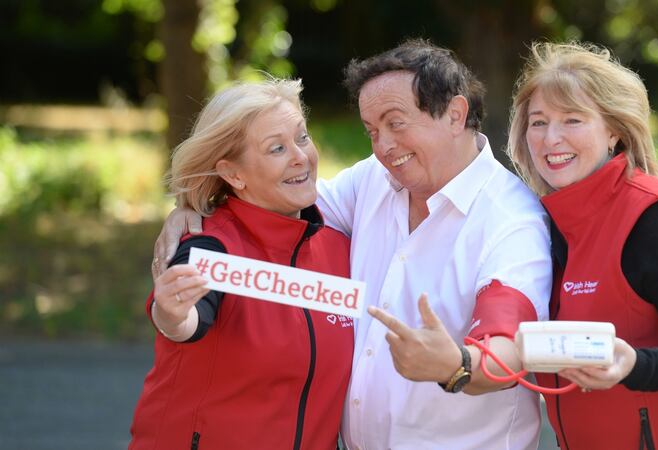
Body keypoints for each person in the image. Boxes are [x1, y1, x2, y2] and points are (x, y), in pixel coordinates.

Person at [155, 39, 552, 449]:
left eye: (395, 123)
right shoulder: (373, 180)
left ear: (455, 114)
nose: (383, 148)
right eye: (371, 131)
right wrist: (195, 210)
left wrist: (458, 364)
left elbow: (507, 344)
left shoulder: (512, 221)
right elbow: (270, 199)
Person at [505, 41, 658, 449]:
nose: (551, 139)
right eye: (539, 122)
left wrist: (633, 364)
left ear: (614, 131)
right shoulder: (543, 223)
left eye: (572, 120)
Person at [129, 79, 354, 450]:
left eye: (302, 138)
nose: (300, 156)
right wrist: (171, 314)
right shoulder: (213, 245)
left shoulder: (339, 248)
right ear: (233, 174)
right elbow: (187, 322)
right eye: (276, 148)